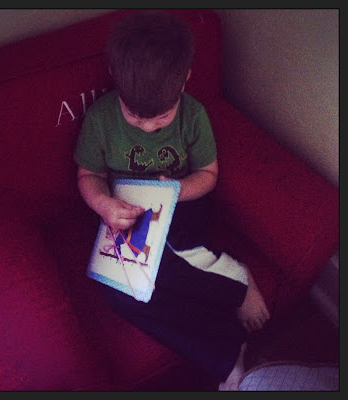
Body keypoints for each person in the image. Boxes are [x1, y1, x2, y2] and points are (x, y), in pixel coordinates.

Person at [73, 10, 270, 390]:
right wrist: (103, 204)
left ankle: (237, 281)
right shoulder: (101, 120)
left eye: (162, 117)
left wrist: (177, 191)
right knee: (121, 292)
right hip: (126, 210)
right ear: (114, 76)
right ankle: (227, 344)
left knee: (176, 249)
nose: (148, 127)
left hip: (184, 201)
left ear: (185, 79)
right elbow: (88, 176)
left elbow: (208, 175)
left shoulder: (193, 115)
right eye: (134, 116)